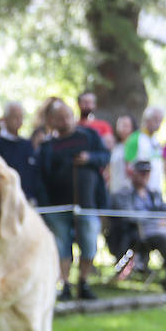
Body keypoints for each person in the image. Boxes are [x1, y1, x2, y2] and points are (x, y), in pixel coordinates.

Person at [37, 98, 109, 300]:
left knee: (88, 242)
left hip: (87, 204)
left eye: (68, 116)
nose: (65, 121)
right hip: (57, 206)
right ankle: (65, 283)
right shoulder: (47, 147)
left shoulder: (90, 136)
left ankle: (83, 282)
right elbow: (41, 177)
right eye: (60, 118)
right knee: (62, 245)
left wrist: (90, 159)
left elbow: (105, 156)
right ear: (52, 121)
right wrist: (45, 204)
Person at [112, 159, 166, 293]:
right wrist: (157, 222)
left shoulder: (153, 194)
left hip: (162, 228)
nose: (145, 176)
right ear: (133, 173)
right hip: (140, 232)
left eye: (147, 173)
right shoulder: (123, 194)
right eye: (141, 173)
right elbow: (128, 216)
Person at [0, 100, 41, 203]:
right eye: (14, 117)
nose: (18, 120)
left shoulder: (28, 145)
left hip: (27, 200)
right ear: (4, 119)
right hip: (4, 200)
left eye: (21, 117)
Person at [124, 106, 165, 198]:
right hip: (139, 193)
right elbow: (128, 166)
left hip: (155, 189)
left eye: (160, 120)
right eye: (155, 120)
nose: (158, 124)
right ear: (147, 119)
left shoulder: (156, 141)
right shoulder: (135, 138)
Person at [108, 113, 135, 196]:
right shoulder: (116, 147)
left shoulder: (135, 146)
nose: (121, 128)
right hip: (114, 190)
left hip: (128, 190)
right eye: (120, 125)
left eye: (125, 125)